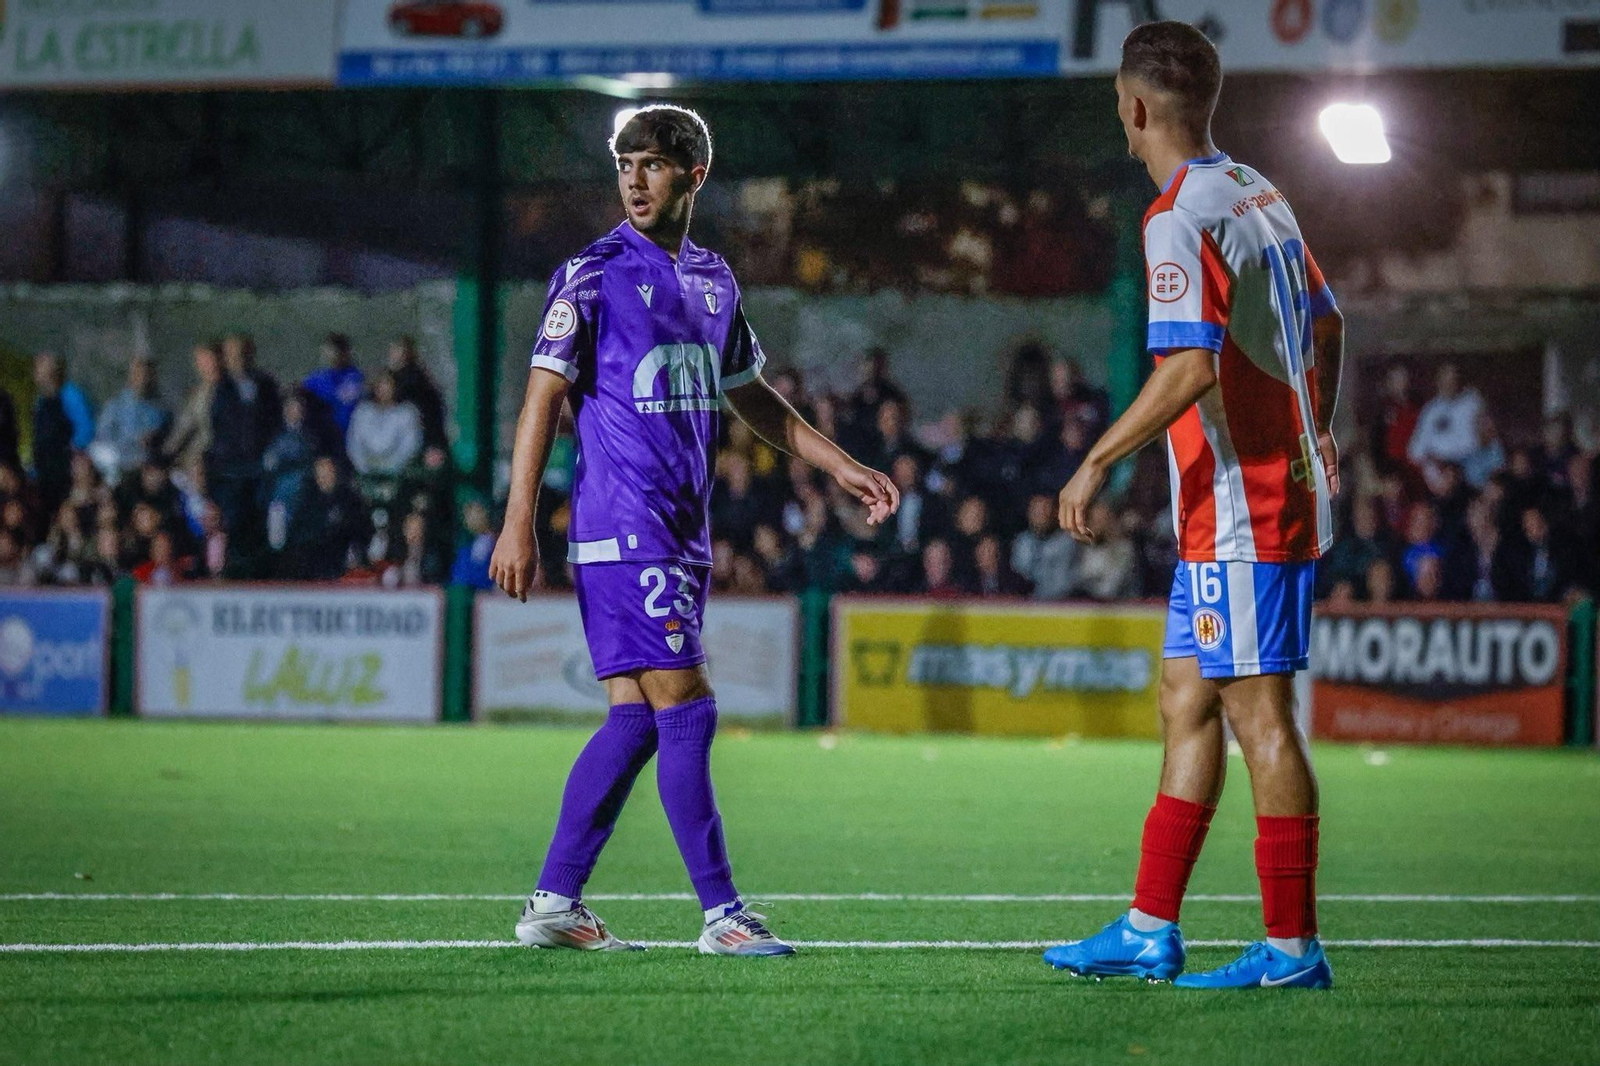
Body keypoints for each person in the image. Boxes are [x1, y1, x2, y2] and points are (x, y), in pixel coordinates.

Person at [489, 105, 897, 956]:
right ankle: (723, 917)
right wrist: (517, 517)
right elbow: (541, 397)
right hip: (624, 525)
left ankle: (554, 903)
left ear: (694, 175)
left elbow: (750, 397)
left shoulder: (714, 279)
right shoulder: (592, 273)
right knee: (690, 710)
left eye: (652, 164)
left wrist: (841, 464)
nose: (634, 179)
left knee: (636, 719)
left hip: (680, 529)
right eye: (625, 164)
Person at [1045, 22, 1342, 991]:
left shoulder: (1176, 215)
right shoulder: (1254, 187)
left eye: (1119, 115)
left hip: (1244, 508)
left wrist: (1093, 460)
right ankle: (1146, 926)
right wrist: (1318, 427)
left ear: (1134, 110)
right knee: (1185, 699)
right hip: (1238, 503)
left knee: (1260, 717)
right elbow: (1327, 321)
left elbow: (1186, 368)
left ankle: (1292, 948)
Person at [91, 357, 171, 483]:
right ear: (131, 376)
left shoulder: (161, 409)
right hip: (122, 467)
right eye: (139, 374)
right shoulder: (115, 406)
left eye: (147, 375)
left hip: (152, 468)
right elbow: (103, 439)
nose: (143, 379)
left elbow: (169, 438)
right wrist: (133, 442)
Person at [347, 371, 423, 476]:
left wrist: (390, 467)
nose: (383, 390)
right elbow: (354, 442)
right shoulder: (362, 411)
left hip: (398, 473)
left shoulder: (407, 413)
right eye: (380, 386)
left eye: (388, 386)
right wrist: (363, 467)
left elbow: (410, 445)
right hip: (366, 472)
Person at [302, 333, 366, 440]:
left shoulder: (354, 378)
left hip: (349, 434)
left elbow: (344, 401)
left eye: (333, 351)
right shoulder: (317, 378)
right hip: (323, 434)